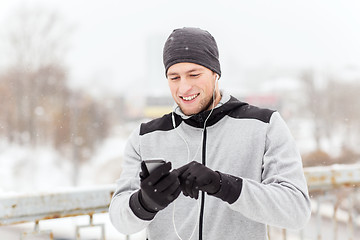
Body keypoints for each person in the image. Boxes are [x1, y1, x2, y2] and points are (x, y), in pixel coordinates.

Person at [109, 27, 311, 240]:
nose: (184, 87)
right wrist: (145, 203)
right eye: (174, 77)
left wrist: (224, 185)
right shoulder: (145, 137)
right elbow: (120, 220)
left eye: (194, 74)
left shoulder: (264, 126)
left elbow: (296, 211)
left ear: (215, 73)